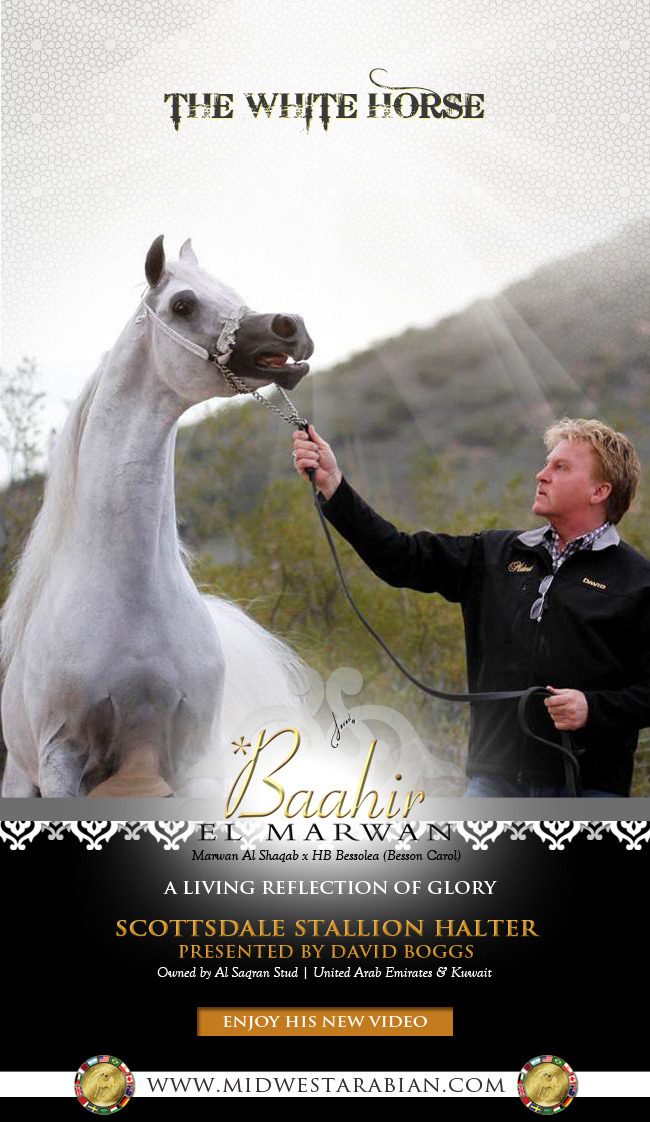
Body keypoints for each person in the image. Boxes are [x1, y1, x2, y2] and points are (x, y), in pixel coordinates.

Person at [292, 418, 650, 797]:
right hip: (495, 781)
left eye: (561, 467)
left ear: (599, 491)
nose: (541, 474)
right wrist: (333, 485)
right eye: (547, 463)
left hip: (588, 787)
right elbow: (401, 556)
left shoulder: (637, 581)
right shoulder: (494, 553)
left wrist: (593, 708)